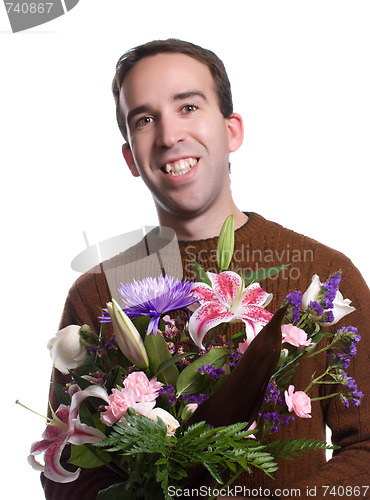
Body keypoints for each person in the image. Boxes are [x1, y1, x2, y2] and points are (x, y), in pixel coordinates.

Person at [42, 39, 370, 499]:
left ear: (232, 129)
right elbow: (68, 474)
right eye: (145, 119)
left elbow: (368, 448)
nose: (170, 134)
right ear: (130, 157)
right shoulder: (97, 296)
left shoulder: (322, 280)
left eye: (189, 106)